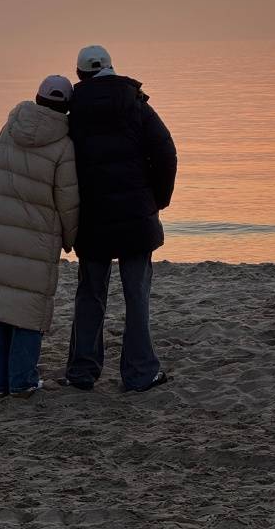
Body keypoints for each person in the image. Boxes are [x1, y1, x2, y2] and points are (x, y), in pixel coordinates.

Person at [62, 45, 177, 393]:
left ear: (80, 75)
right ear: (112, 67)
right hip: (135, 217)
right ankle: (140, 374)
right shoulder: (136, 104)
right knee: (136, 295)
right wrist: (158, 199)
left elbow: (61, 164)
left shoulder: (74, 111)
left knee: (90, 295)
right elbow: (166, 152)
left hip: (93, 218)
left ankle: (82, 372)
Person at [0, 76, 79, 398]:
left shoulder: (7, 130)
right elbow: (68, 200)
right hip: (37, 239)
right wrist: (71, 239)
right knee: (28, 310)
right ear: (67, 108)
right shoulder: (64, 144)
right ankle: (21, 381)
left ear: (36, 97)